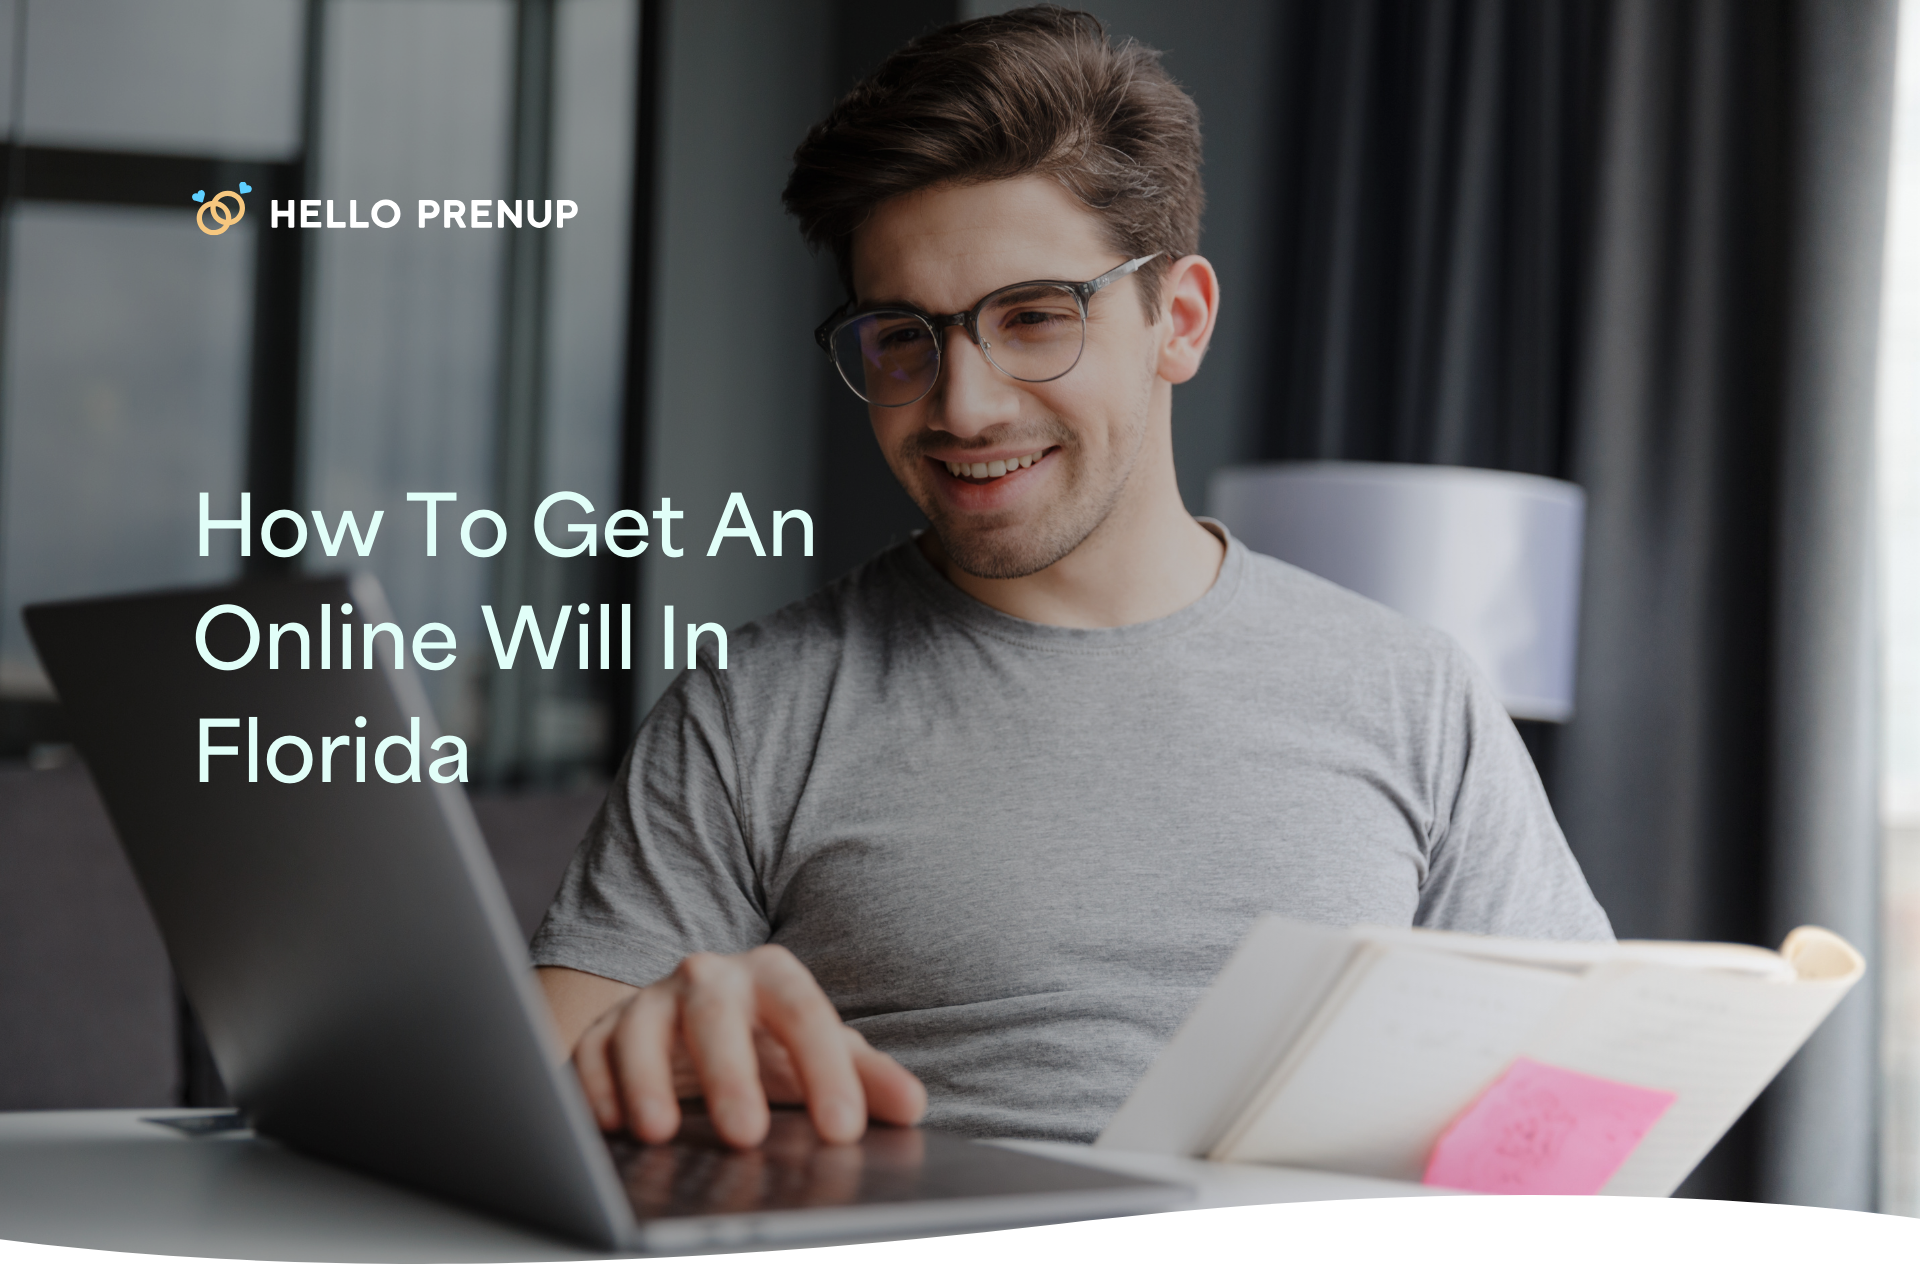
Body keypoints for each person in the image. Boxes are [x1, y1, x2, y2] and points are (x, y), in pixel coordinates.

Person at [531, 6, 1611, 1154]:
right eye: (903, 337)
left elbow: (1590, 1107)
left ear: (1178, 321)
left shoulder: (1416, 695)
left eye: (1036, 318)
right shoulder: (755, 709)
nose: (963, 406)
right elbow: (526, 1098)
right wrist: (645, 1054)